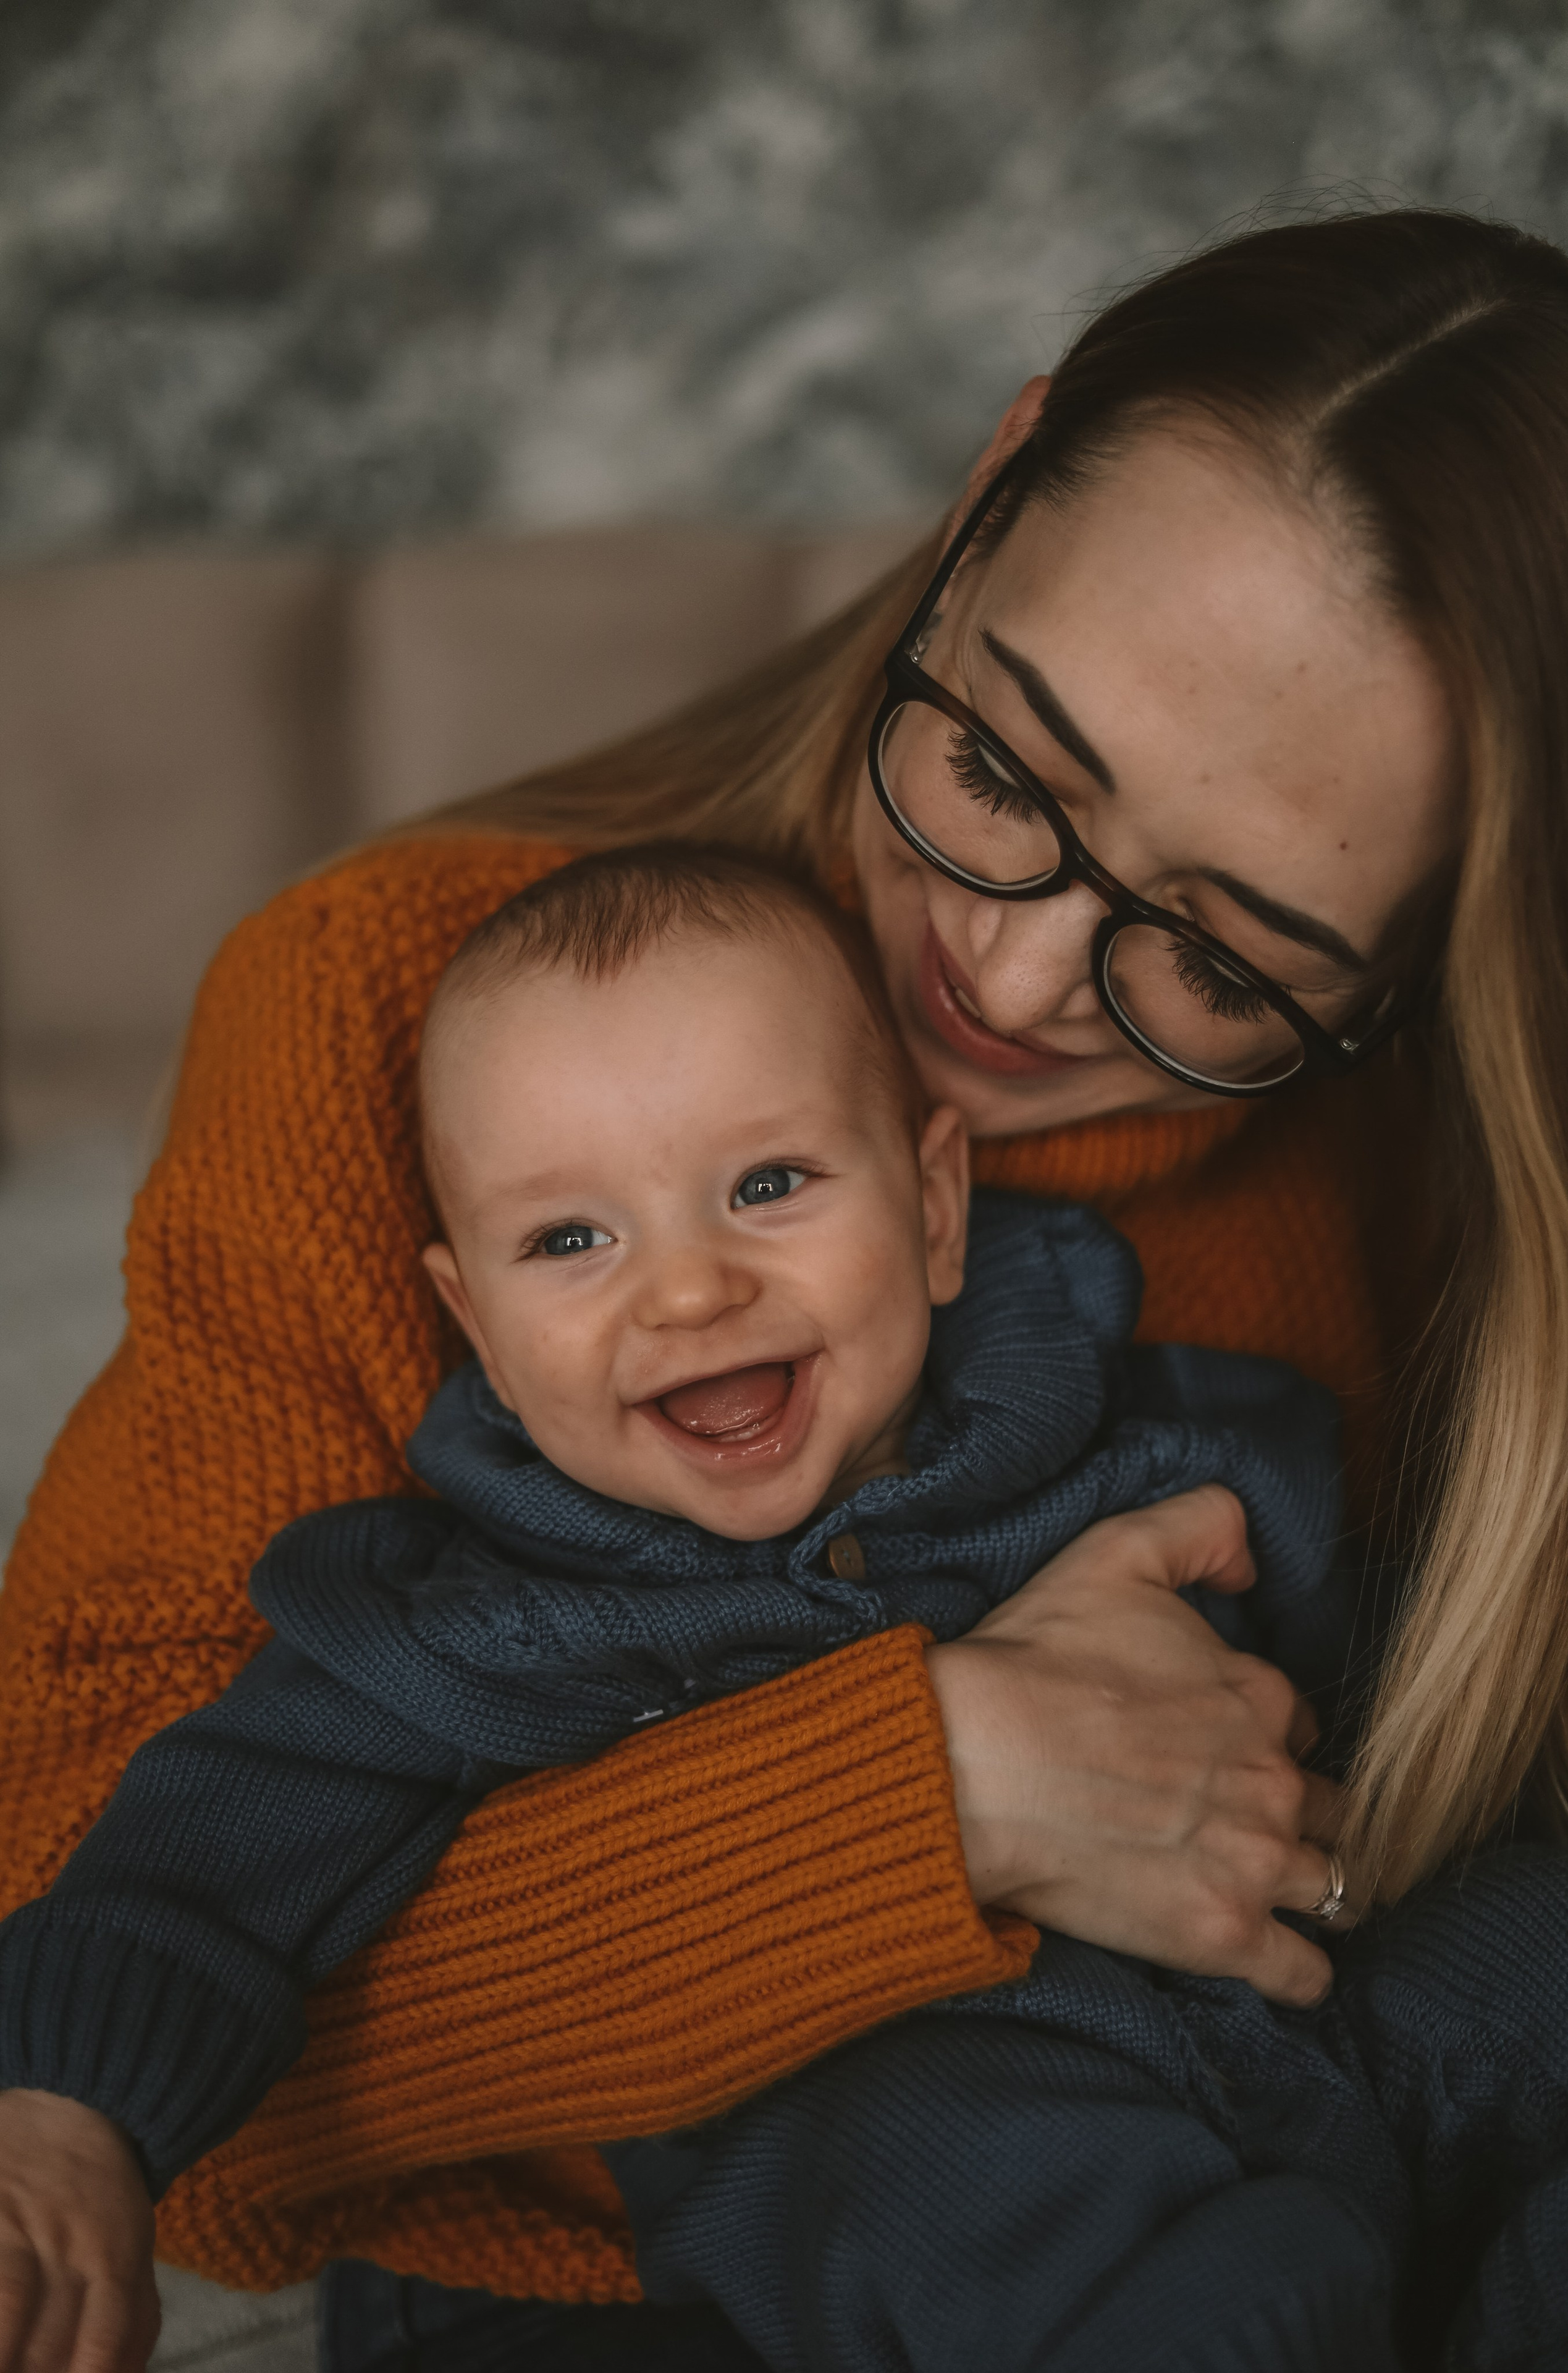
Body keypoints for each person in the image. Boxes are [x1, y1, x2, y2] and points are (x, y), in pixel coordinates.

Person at [1, 206, 1568, 2367]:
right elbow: (142, 1982)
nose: (1008, 979)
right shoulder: (388, 1019)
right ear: (991, 486)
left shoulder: (1388, 1145)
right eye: (1010, 767)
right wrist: (934, 1796)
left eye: (1223, 958)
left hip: (1286, 2067)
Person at [0, 844, 1359, 2371]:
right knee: (979, 2167)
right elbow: (199, 1859)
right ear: (478, 1332)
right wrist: (70, 2118)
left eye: (766, 1185)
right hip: (880, 2149)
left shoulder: (1128, 1442)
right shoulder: (475, 1626)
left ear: (931, 1208)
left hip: (1289, 2019)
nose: (688, 1290)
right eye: (568, 1240)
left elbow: (1391, 1602)